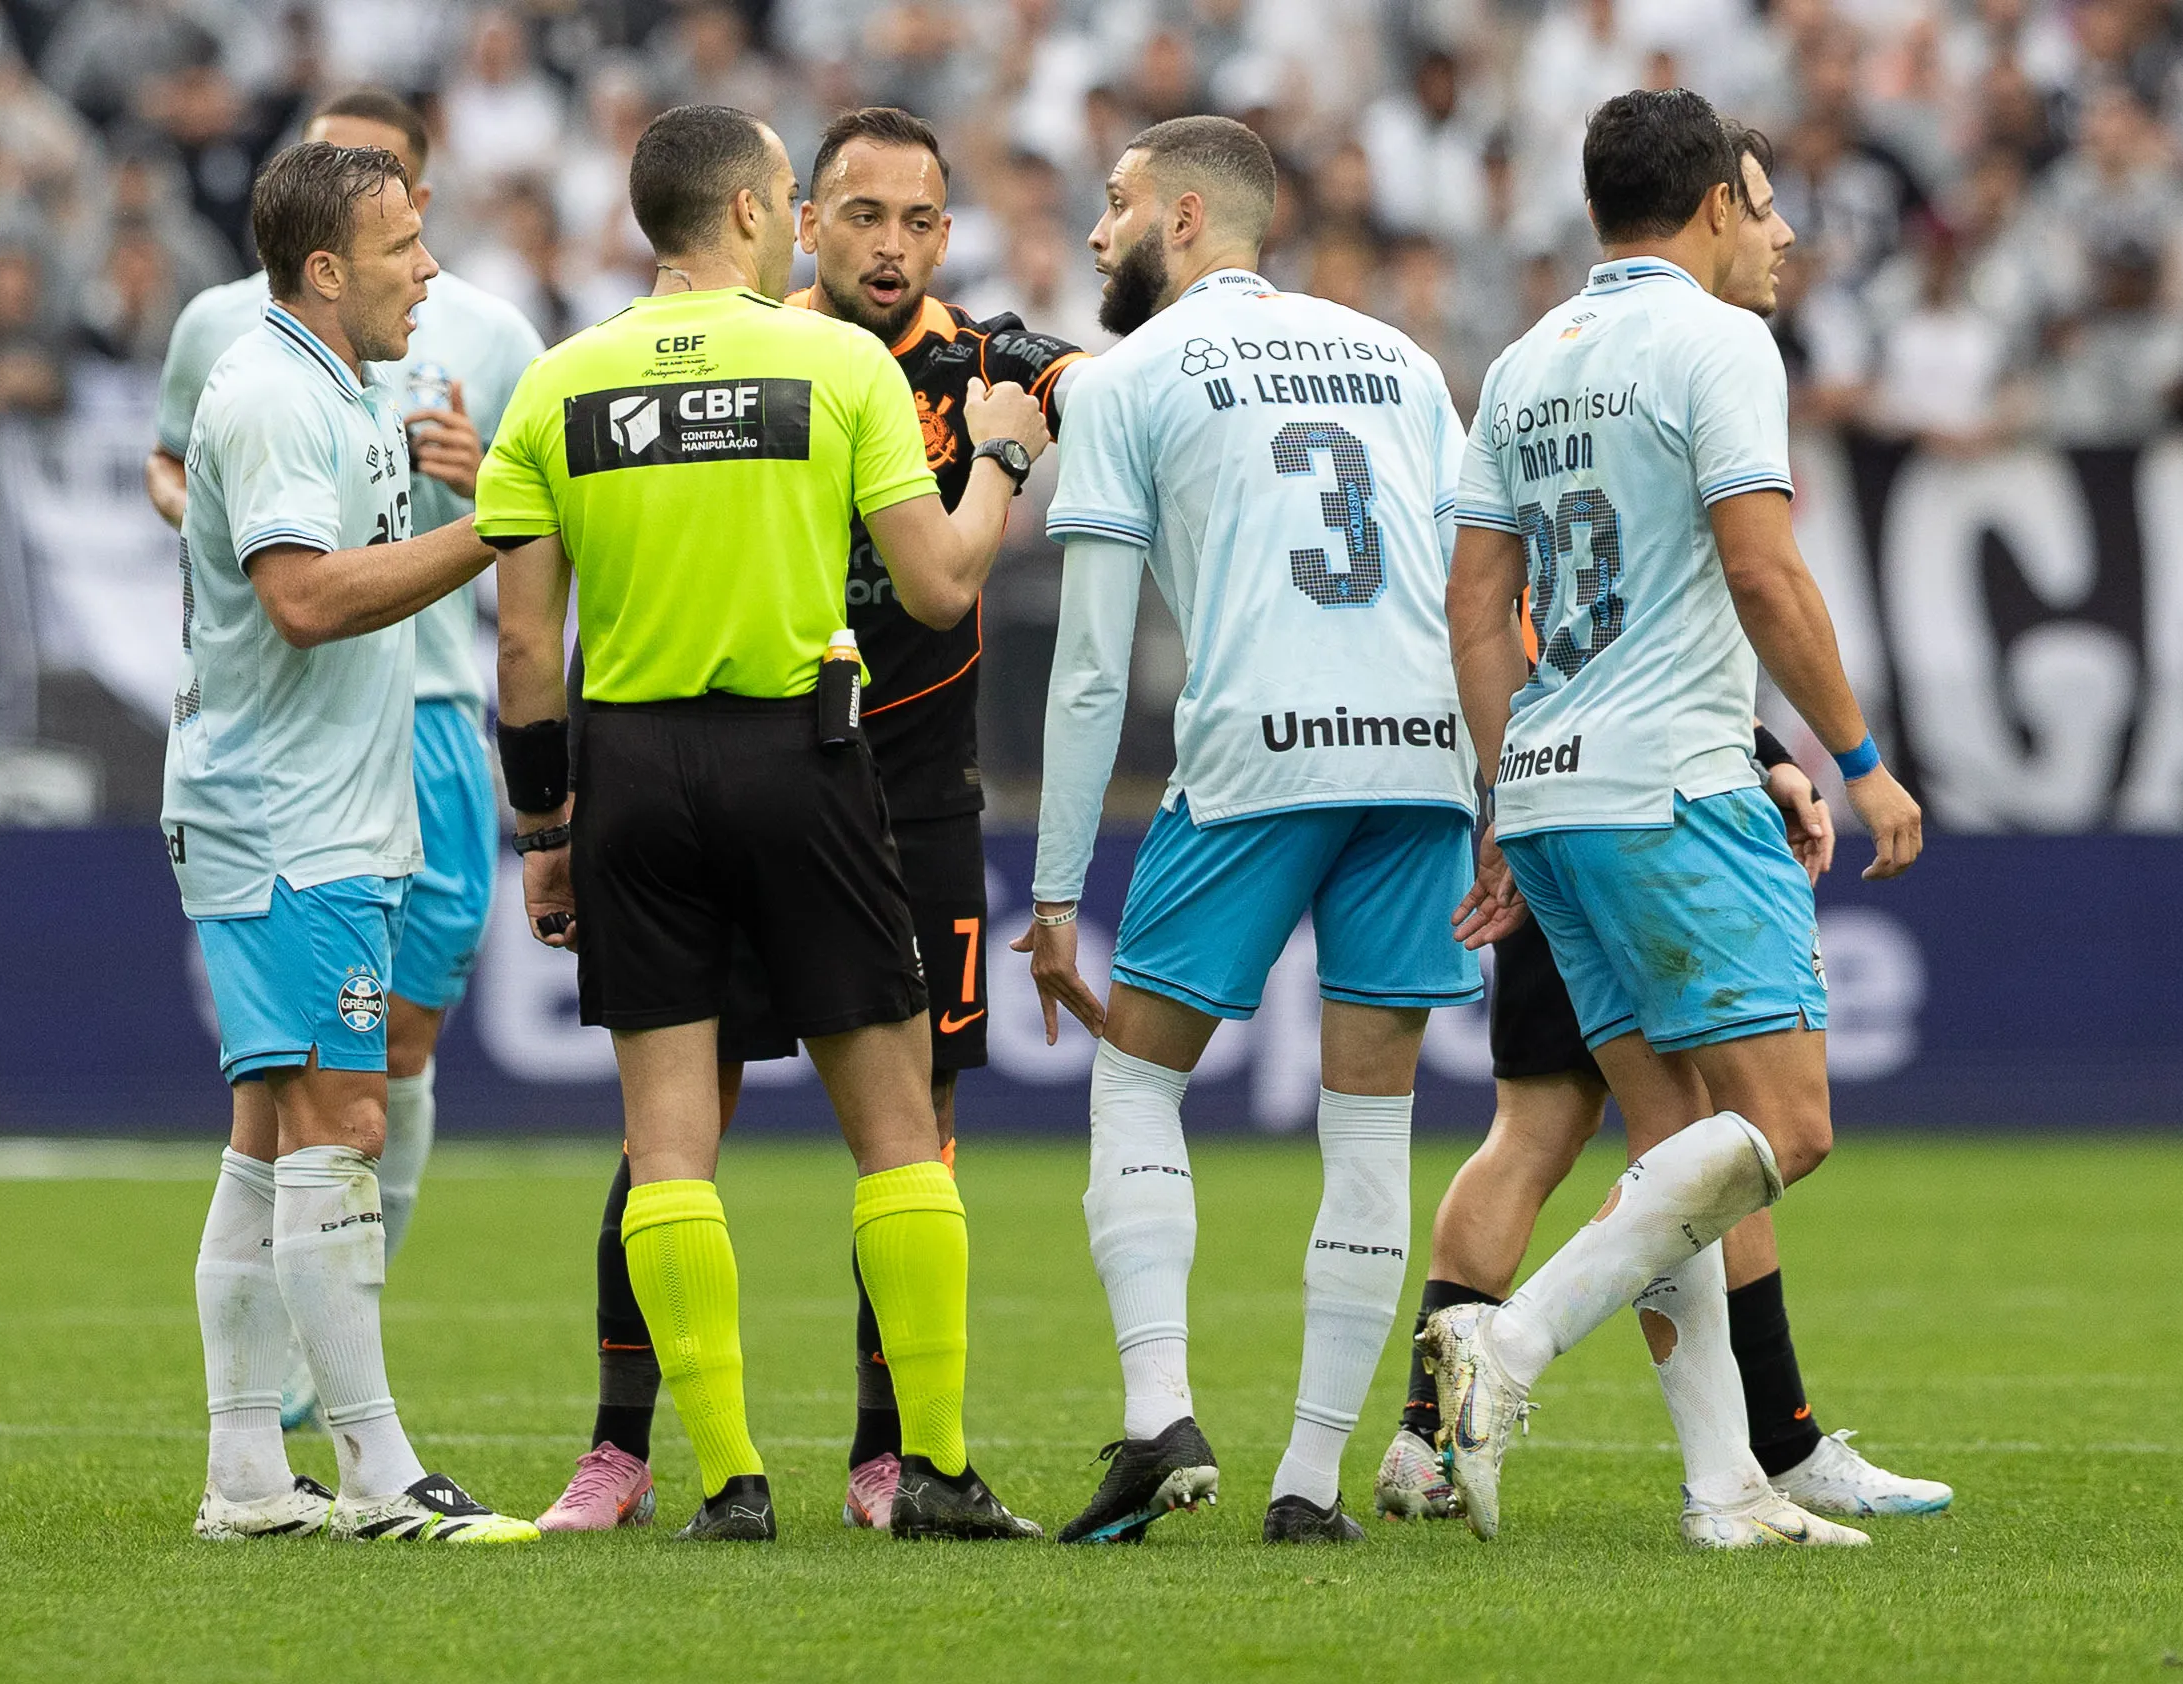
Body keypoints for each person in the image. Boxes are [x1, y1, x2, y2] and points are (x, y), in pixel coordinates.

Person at [479, 104, 1053, 1542]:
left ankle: (727, 1482)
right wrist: (995, 458)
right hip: (804, 758)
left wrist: (543, 828)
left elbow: (524, 651)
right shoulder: (830, 362)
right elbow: (933, 586)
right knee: (899, 1129)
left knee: (667, 1146)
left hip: (631, 772)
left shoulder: (557, 383)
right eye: (807, 196)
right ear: (754, 215)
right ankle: (930, 1466)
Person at [1375, 125, 1952, 1529]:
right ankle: (1504, 1342)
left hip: (1556, 786)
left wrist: (1502, 801)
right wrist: (1860, 760)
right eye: (1763, 210)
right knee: (1784, 1128)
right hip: (1673, 783)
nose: (1782, 237)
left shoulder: (1523, 358)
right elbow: (1762, 569)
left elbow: (1470, 603)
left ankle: (1724, 1486)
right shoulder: (1717, 344)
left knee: (1668, 1143)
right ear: (1708, 206)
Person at [1015, 115, 1480, 1547]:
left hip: (1254, 755)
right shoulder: (1400, 360)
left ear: (1184, 214)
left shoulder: (1124, 377)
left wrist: (1050, 894)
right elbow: (1477, 589)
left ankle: (1160, 1413)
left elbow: (1093, 665)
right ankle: (1309, 1486)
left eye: (1110, 208)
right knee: (1370, 1121)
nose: (1093, 236)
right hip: (1419, 761)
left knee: (1133, 1087)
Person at [149, 89, 545, 1432]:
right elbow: (306, 601)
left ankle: (251, 1471)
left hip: (341, 786)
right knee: (343, 1127)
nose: (430, 271)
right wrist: (499, 521)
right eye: (402, 248)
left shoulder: (345, 379)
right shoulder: (263, 386)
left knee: (275, 1140)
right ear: (325, 267)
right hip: (285, 807)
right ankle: (375, 1466)